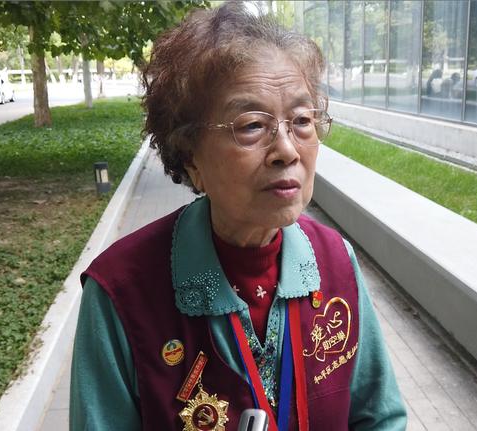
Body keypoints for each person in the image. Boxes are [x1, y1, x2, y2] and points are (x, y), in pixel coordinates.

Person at [70, 4, 407, 430]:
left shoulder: (336, 261)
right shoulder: (121, 292)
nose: (287, 150)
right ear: (190, 155)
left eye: (302, 120)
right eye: (251, 125)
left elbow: (380, 418)